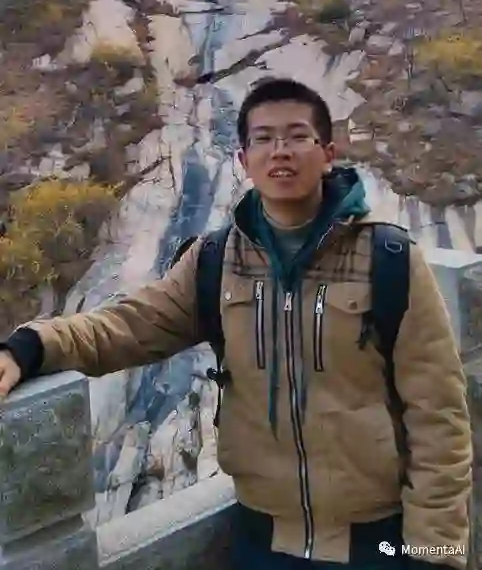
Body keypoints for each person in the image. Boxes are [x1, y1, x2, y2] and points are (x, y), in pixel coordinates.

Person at [0, 78, 472, 570]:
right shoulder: (216, 260)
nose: (280, 151)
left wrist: (436, 552)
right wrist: (30, 346)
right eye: (264, 139)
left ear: (328, 153)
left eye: (297, 136)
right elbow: (128, 326)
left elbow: (438, 413)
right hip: (262, 541)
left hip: (377, 541)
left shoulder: (389, 259)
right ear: (244, 160)